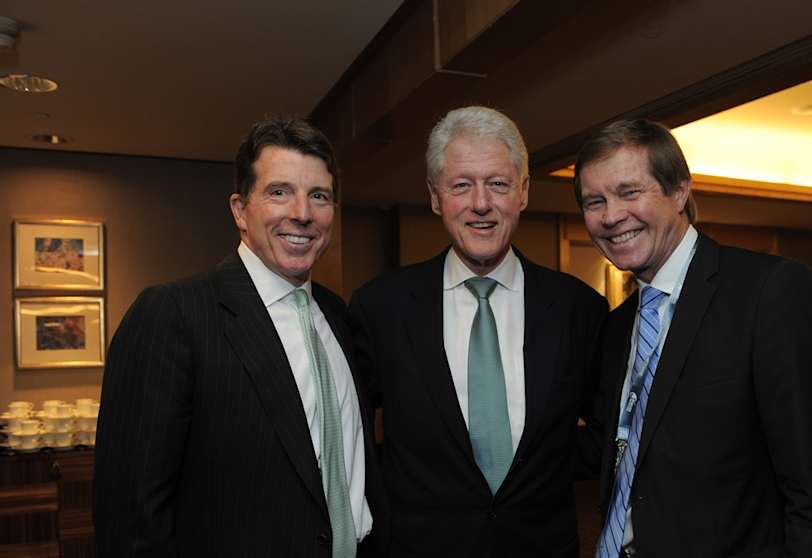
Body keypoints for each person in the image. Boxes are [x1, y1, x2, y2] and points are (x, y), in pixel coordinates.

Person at [94, 116, 386, 557]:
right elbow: (130, 517)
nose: (302, 213)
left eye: (319, 196)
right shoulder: (174, 315)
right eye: (279, 192)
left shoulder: (338, 315)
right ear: (239, 210)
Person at [575, 119, 812, 558]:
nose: (611, 216)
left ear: (679, 191)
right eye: (595, 201)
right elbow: (617, 443)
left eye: (629, 192)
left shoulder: (769, 291)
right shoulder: (617, 325)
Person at [348, 106, 608, 558]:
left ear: (523, 192)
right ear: (435, 197)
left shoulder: (578, 308)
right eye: (461, 185)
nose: (481, 203)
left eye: (498, 184)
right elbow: (353, 442)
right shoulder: (381, 308)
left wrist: (546, 465)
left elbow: (609, 432)